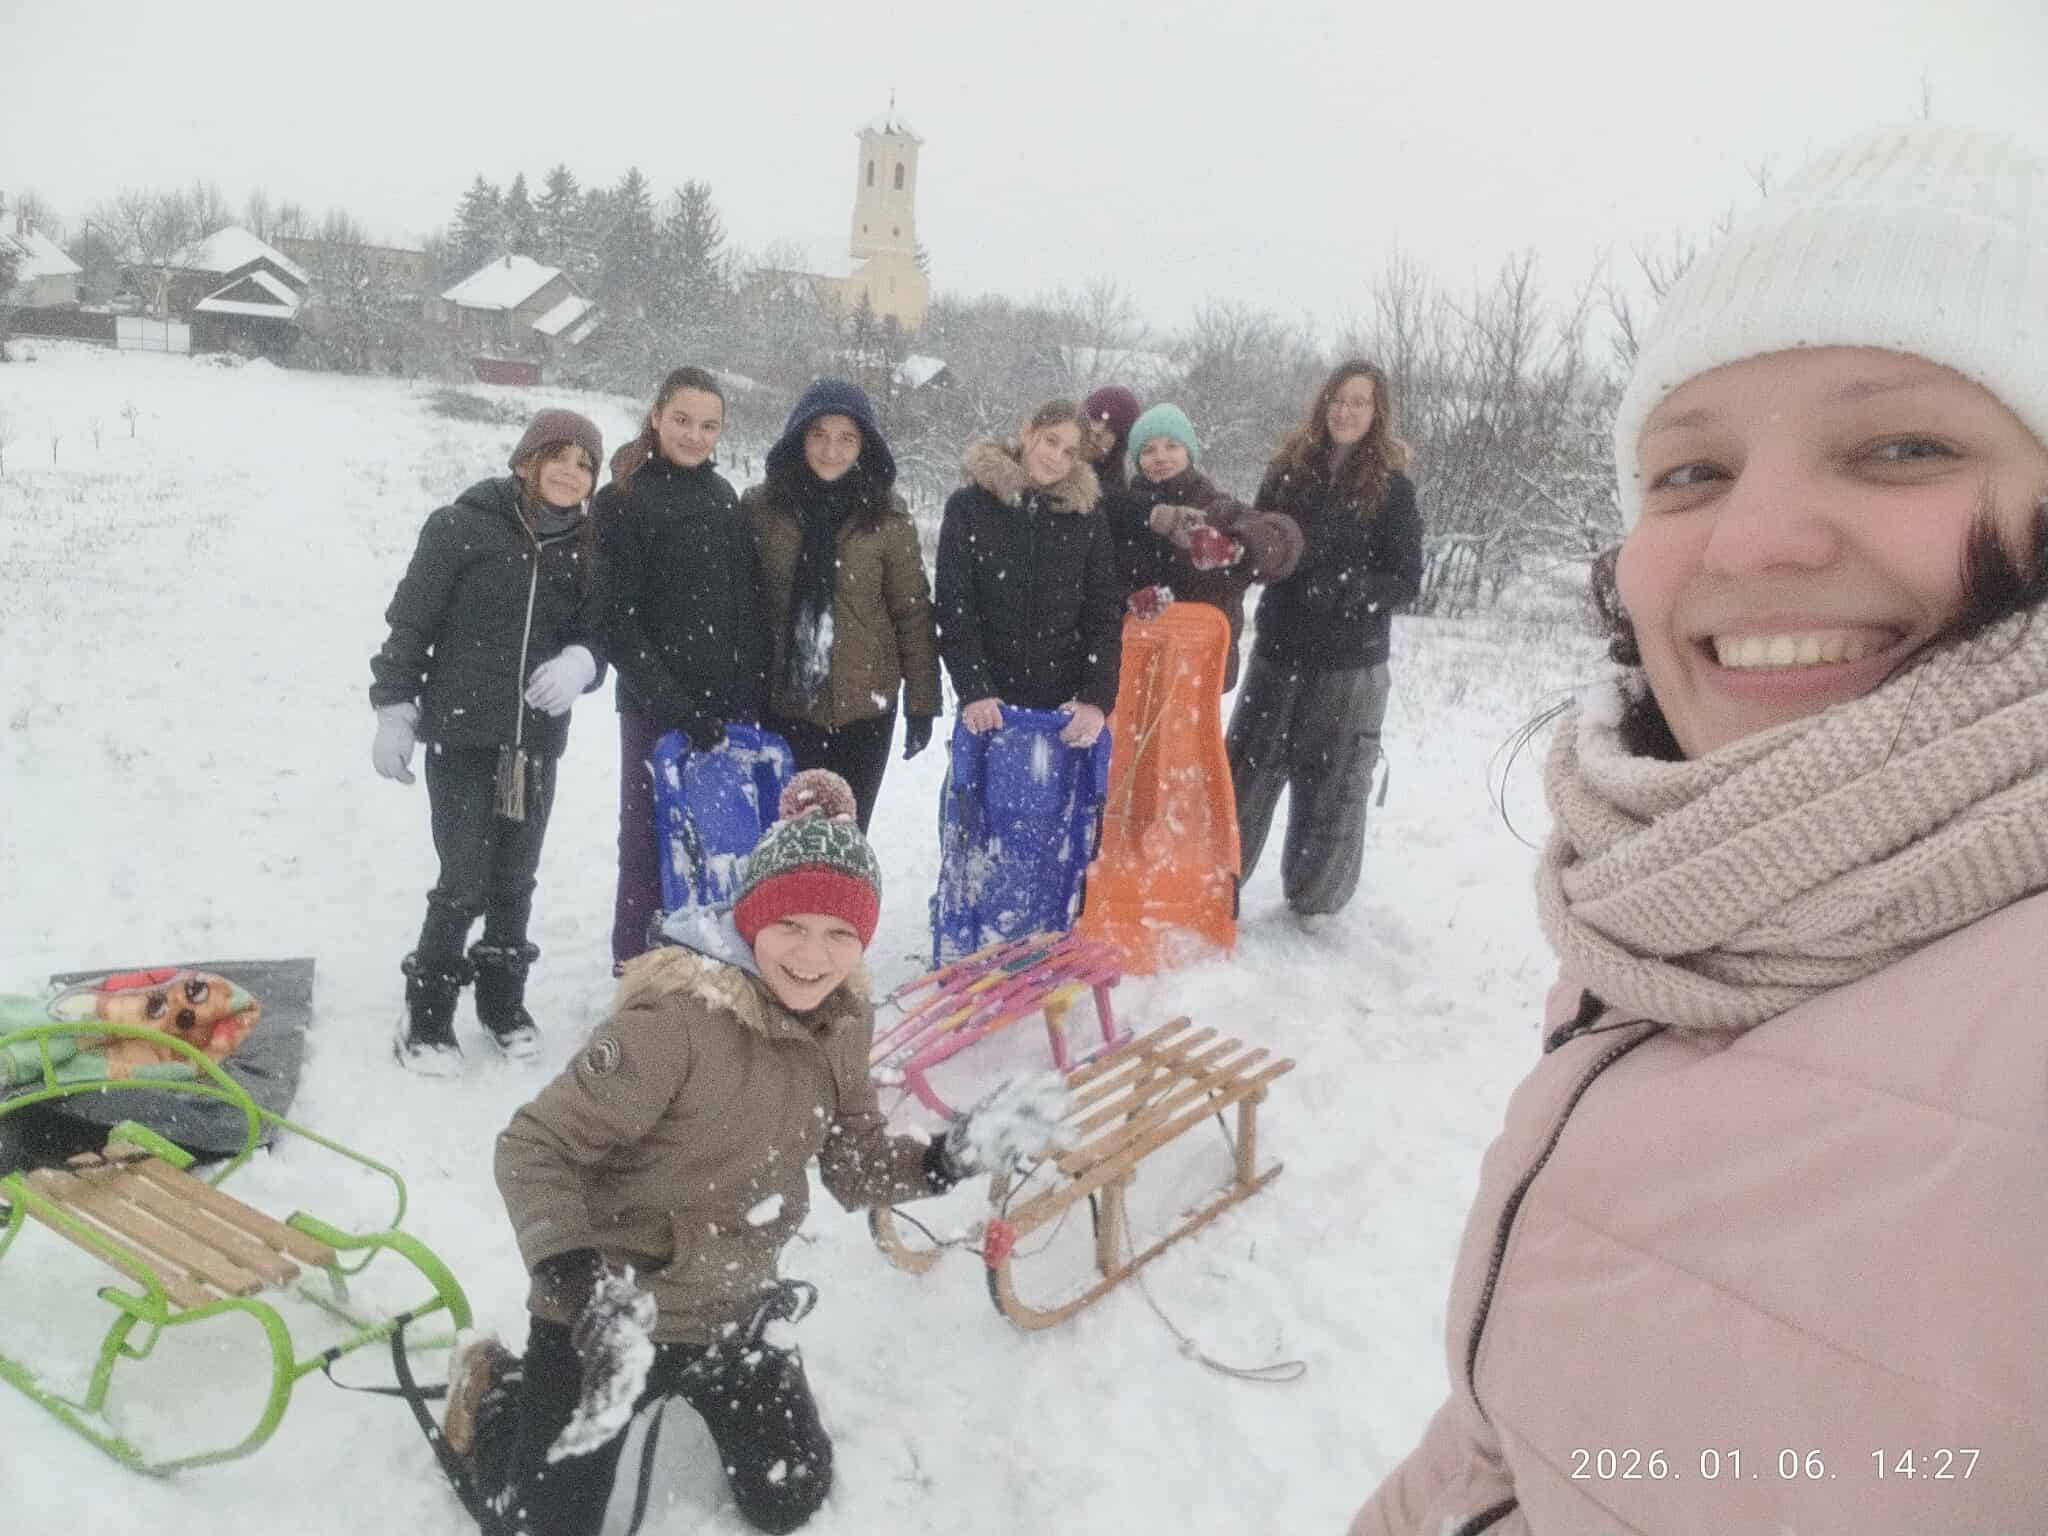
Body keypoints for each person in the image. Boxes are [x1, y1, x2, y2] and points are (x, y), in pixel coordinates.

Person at [1355, 121, 2048, 1533]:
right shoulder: (1668, 901)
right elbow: (1520, 1431)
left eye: (1902, 446)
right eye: (1689, 473)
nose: (1747, 541)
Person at [442, 770, 1069, 1535]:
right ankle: (498, 1391)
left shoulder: (843, 1019)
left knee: (790, 1495)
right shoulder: (675, 1022)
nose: (813, 955)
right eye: (790, 925)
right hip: (608, 1311)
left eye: (841, 934)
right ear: (750, 919)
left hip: (733, 1304)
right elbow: (534, 1147)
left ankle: (698, 1383)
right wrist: (578, 1284)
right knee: (540, 1527)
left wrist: (950, 1157)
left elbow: (854, 1164)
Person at [371, 409, 608, 1072]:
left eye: (585, 464)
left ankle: (503, 1004)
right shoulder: (460, 527)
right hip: (463, 736)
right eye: (559, 457)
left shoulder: (589, 547)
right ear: (527, 460)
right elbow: (410, 624)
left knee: (515, 878)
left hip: (534, 745)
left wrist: (582, 663)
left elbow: (598, 633)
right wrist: (394, 708)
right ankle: (426, 1012)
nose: (571, 473)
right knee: (464, 878)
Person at [1226, 359, 1422, 921]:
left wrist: (1348, 588)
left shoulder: (1392, 489)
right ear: (1323, 404)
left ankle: (1315, 901)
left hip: (1350, 665)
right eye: (1338, 399)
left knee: (1332, 785)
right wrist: (1245, 554)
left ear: (1377, 413)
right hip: (1279, 650)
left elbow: (1405, 580)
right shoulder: (1287, 472)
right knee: (1246, 774)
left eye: (1359, 402)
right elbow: (1258, 543)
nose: (1345, 411)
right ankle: (1217, 882)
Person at [598, 367, 767, 971]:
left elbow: (743, 603)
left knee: (719, 840)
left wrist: (746, 691)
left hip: (725, 705)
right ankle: (638, 967)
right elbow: (618, 623)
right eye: (683, 421)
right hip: (656, 707)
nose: (695, 436)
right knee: (648, 838)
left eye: (709, 426)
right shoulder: (623, 499)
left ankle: (707, 959)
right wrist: (677, 707)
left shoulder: (722, 496)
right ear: (656, 416)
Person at [743, 379, 941, 831]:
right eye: (818, 434)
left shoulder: (887, 517)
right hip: (782, 706)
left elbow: (911, 611)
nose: (831, 450)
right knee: (782, 839)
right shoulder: (762, 509)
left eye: (846, 438)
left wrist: (922, 702)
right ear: (799, 437)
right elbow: (742, 606)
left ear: (864, 445)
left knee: (845, 840)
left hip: (864, 713)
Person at [934, 399, 1123, 747]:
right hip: (989, 705)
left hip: (1062, 712)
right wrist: (975, 688)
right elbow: (955, 604)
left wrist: (1095, 699)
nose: (1056, 457)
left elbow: (1103, 614)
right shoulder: (970, 506)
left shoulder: (1087, 518)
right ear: (1027, 431)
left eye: (1070, 452)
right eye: (1051, 441)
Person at [1101, 401, 1303, 690]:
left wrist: (1236, 548)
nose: (1161, 456)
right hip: (1133, 669)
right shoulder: (1129, 515)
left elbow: (1285, 539)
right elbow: (1099, 581)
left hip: (1200, 669)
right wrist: (1126, 600)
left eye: (1171, 446)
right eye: (1149, 450)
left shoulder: (1218, 510)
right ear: (1137, 459)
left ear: (1189, 451)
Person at [1080, 384, 1142, 494]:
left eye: (1111, 428)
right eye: (1095, 418)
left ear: (1119, 442)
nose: (1097, 431)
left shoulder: (1115, 498)